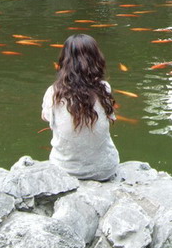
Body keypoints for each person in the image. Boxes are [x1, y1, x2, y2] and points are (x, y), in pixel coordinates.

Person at [41, 34, 119, 181]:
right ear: (96, 59)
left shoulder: (54, 92)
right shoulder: (104, 88)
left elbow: (46, 118)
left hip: (64, 171)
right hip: (105, 170)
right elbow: (109, 117)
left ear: (64, 60)